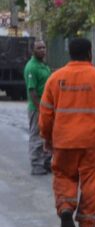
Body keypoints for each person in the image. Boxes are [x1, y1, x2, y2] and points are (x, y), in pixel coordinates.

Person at [38, 37, 95, 227]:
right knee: (91, 181)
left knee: (64, 175)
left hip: (63, 141)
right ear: (90, 53)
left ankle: (66, 207)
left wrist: (47, 138)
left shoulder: (55, 78)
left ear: (70, 54)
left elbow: (46, 114)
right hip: (91, 142)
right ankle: (87, 225)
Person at [24, 40, 52, 175]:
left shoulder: (43, 65)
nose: (42, 50)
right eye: (39, 48)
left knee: (47, 135)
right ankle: (36, 165)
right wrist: (40, 110)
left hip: (47, 108)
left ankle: (46, 163)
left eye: (44, 47)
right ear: (33, 50)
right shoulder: (32, 67)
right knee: (37, 136)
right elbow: (32, 92)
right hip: (37, 109)